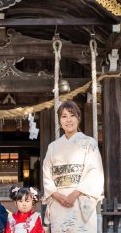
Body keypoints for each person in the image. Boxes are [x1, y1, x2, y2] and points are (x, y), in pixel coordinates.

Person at [42, 100, 104, 233]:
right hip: (59, 201)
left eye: (72, 115)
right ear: (59, 121)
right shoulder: (53, 147)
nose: (68, 120)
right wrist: (56, 195)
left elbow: (94, 172)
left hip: (81, 200)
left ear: (79, 118)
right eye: (64, 116)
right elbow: (47, 173)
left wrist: (74, 195)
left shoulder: (89, 143)